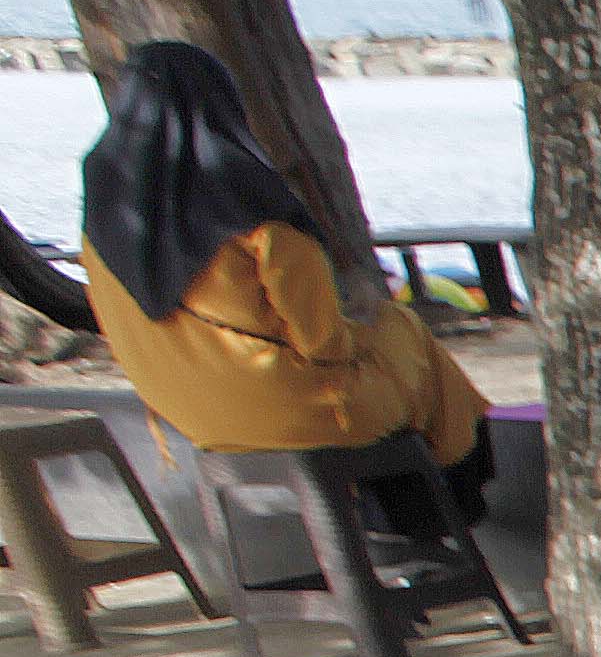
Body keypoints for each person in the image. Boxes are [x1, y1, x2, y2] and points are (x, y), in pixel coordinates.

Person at [71, 38, 491, 540]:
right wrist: (372, 329)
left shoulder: (103, 229)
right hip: (290, 411)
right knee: (403, 336)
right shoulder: (256, 216)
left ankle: (399, 533)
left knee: (389, 372)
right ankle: (441, 515)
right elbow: (325, 345)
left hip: (192, 417)